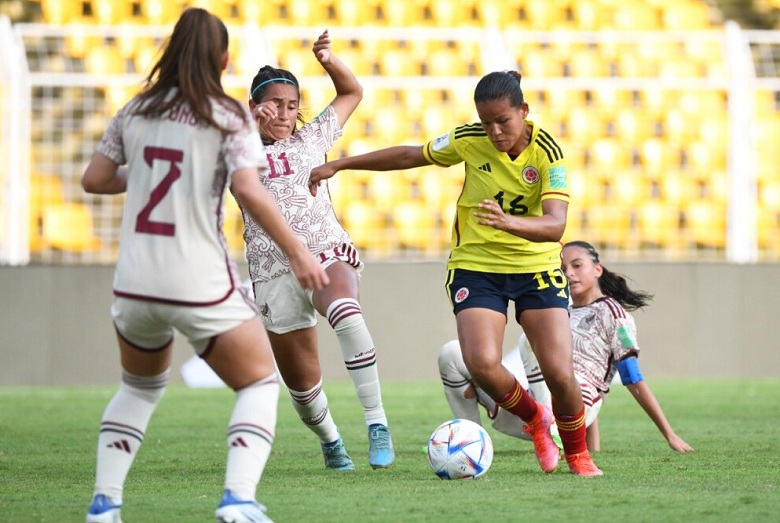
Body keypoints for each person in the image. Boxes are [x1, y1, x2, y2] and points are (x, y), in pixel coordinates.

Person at [81, 9, 328, 523]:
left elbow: (96, 179)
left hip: (133, 283)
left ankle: (105, 505)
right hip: (196, 279)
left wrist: (150, 170)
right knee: (259, 382)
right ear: (223, 58)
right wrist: (300, 252)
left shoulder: (136, 110)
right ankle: (238, 499)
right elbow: (249, 191)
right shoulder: (229, 114)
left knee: (139, 387)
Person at [310, 71, 601, 476]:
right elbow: (411, 155)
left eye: (504, 121)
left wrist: (507, 223)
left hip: (534, 266)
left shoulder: (548, 153)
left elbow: (555, 227)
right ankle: (535, 419)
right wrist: (341, 165)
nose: (495, 132)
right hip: (476, 266)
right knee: (480, 362)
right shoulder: (468, 139)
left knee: (558, 373)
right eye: (487, 122)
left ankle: (578, 456)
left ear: (524, 111)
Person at [240, 29, 394, 471]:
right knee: (304, 391)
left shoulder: (311, 139)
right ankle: (331, 441)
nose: (285, 114)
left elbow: (352, 91)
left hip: (324, 249)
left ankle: (376, 423)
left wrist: (327, 59)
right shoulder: (237, 147)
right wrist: (247, 124)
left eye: (292, 105)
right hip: (272, 269)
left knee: (346, 311)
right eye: (274, 105)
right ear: (254, 106)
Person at [438, 240, 694, 454]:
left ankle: (554, 433)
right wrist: (593, 447)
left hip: (572, 414)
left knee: (532, 342)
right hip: (529, 412)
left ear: (598, 269)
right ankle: (471, 444)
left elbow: (629, 377)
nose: (569, 273)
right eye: (562, 268)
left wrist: (669, 435)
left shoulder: (614, 313)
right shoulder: (560, 311)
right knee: (451, 353)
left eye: (577, 265)